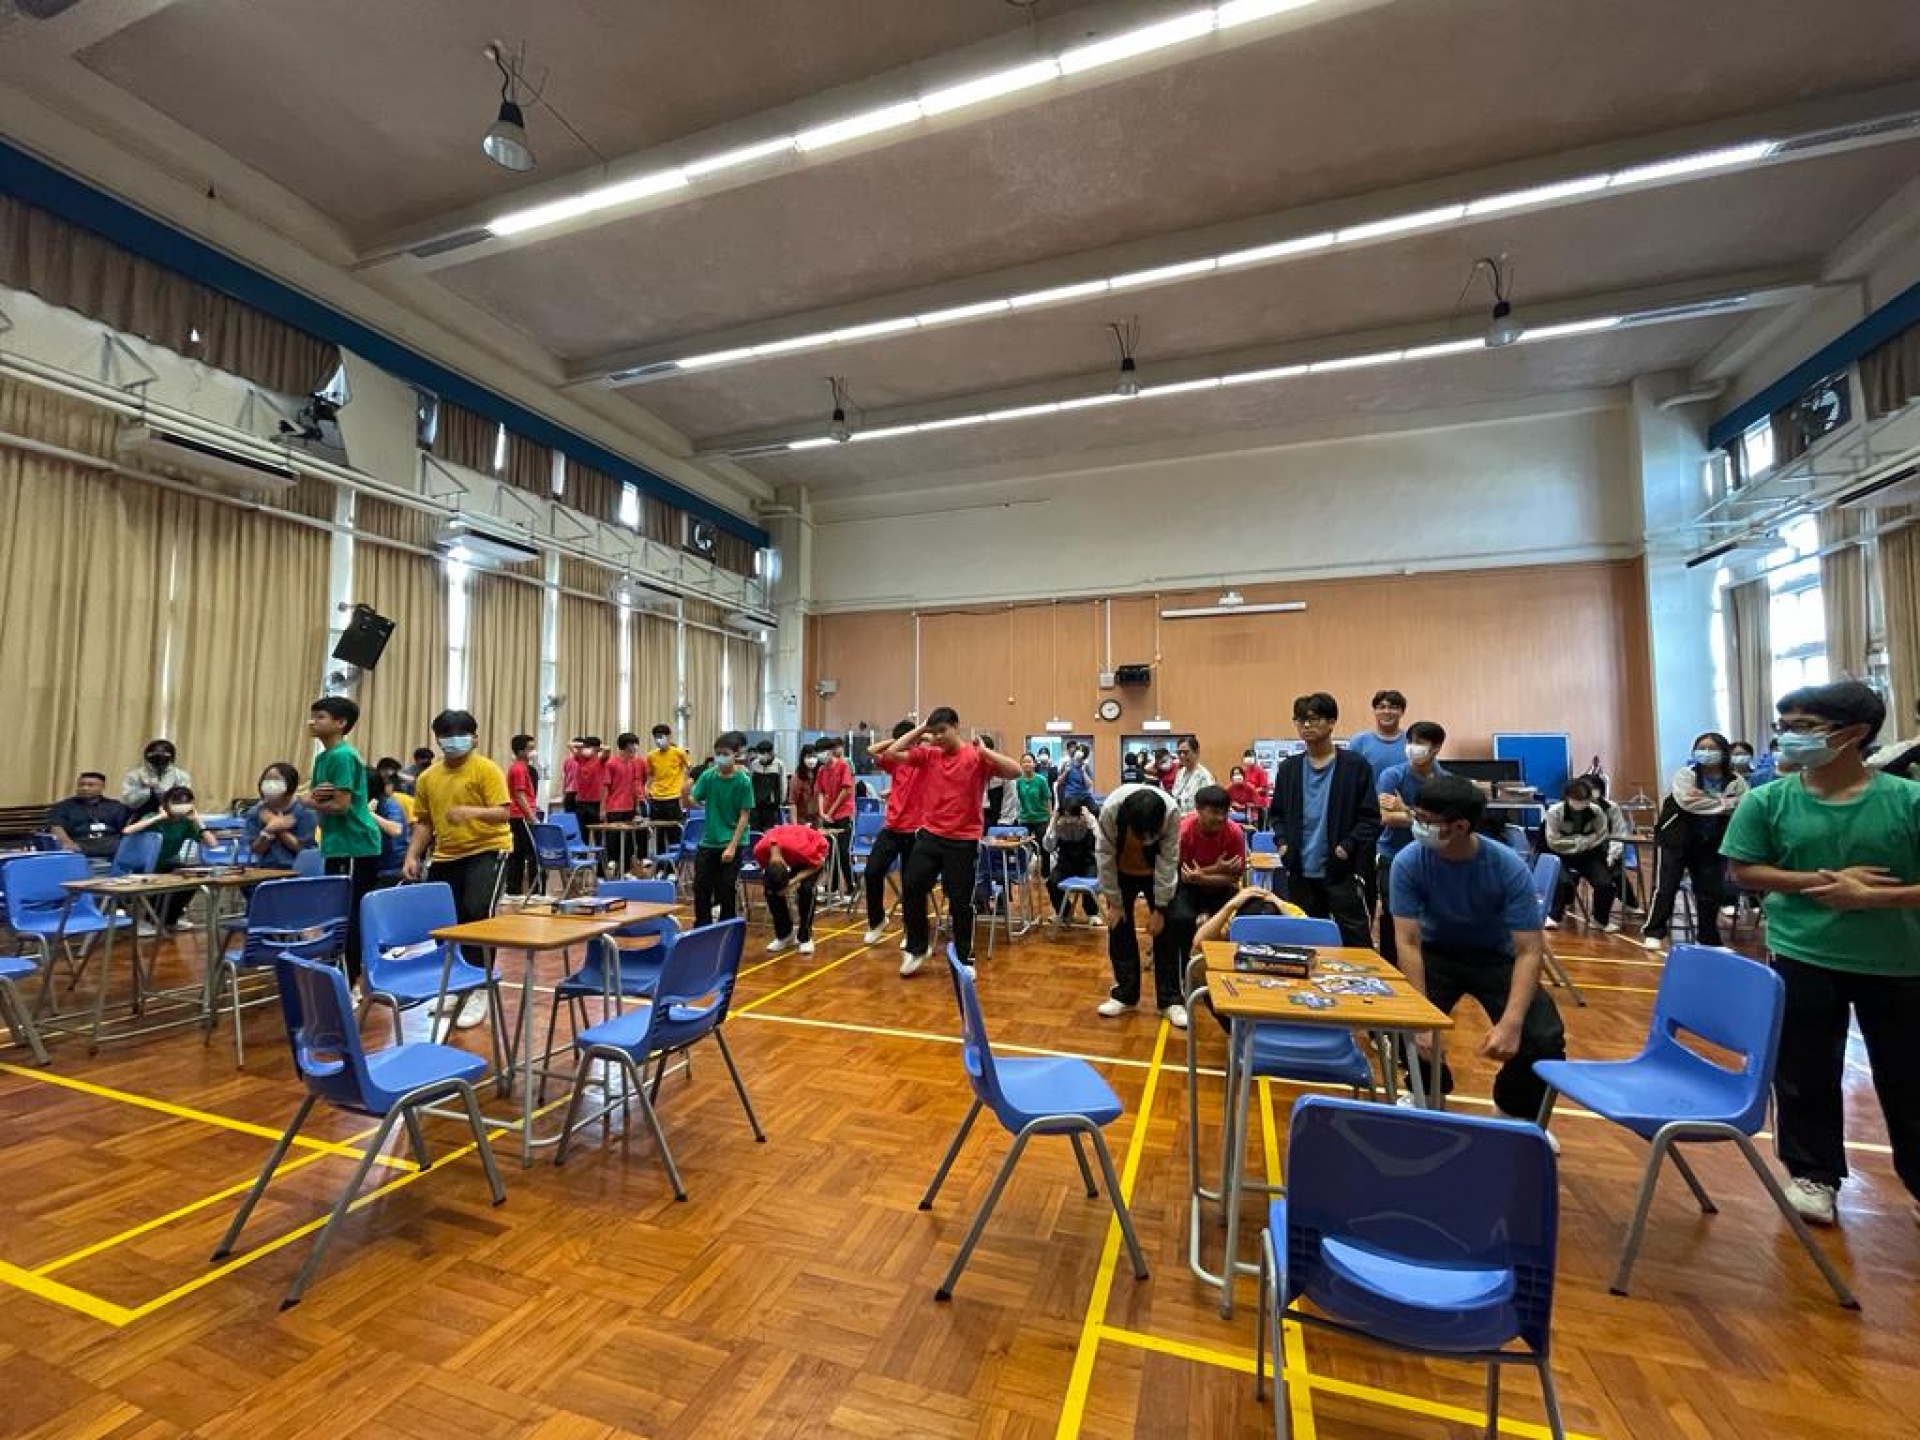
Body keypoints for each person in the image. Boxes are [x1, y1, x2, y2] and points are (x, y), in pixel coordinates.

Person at [1722, 681, 1920, 1228]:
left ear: (1854, 734)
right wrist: (1819, 882)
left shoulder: (1907, 801)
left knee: (1909, 1076)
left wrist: (1875, 897)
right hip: (1803, 953)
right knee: (1803, 1071)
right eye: (1783, 726)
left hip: (1899, 961)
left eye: (1804, 727)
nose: (1788, 737)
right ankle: (1813, 1175)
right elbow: (1744, 869)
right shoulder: (1767, 800)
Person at [1389, 774, 1567, 1125]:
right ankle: (1429, 1090)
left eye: (1426, 820)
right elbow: (1407, 942)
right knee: (1400, 1024)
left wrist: (1512, 1023)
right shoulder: (1408, 862)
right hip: (1436, 953)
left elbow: (1529, 951)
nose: (1417, 826)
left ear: (1460, 827)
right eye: (1415, 816)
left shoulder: (1507, 867)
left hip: (1496, 957)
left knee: (1542, 1037)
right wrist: (1419, 1018)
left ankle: (1513, 1111)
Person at [883, 710, 1022, 976]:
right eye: (933, 733)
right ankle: (917, 947)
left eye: (942, 731)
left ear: (956, 727)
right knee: (911, 886)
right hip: (930, 836)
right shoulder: (930, 755)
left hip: (963, 841)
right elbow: (891, 752)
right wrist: (921, 728)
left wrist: (987, 752)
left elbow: (1015, 771)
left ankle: (964, 957)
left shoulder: (975, 756)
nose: (938, 737)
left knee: (960, 902)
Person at [403, 709, 513, 1028]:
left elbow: (503, 813)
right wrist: (412, 856)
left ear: (475, 738)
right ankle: (456, 983)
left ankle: (480, 988)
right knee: (445, 923)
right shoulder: (428, 778)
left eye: (460, 735)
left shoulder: (486, 769)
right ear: (437, 740)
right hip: (446, 855)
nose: (453, 741)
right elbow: (424, 822)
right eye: (446, 736)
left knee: (476, 914)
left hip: (488, 849)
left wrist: (470, 812)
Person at [1267, 692, 1381, 948]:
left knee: (1356, 942)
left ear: (1331, 722)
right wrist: (1283, 843)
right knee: (1305, 942)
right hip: (1300, 871)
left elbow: (1370, 818)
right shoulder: (1289, 768)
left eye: (1314, 719)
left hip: (1342, 871)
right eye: (1300, 720)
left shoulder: (1355, 766)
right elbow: (1277, 814)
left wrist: (1347, 847)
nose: (1306, 726)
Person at [1640, 731, 1747, 951]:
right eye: (1701, 748)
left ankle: (1707, 937)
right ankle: (1654, 930)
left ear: (1723, 753)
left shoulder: (1736, 780)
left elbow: (1744, 803)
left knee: (1710, 890)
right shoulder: (1685, 775)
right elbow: (1688, 803)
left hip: (1711, 840)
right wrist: (1724, 803)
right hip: (1676, 839)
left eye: (1712, 749)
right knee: (1667, 886)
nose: (1706, 753)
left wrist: (1709, 800)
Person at [305, 696, 382, 982]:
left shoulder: (342, 756)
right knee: (338, 913)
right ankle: (341, 974)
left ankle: (351, 981)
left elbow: (340, 805)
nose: (313, 722)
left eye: (320, 717)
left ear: (340, 723)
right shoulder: (322, 758)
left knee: (350, 915)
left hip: (355, 844)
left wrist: (308, 801)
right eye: (313, 716)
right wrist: (313, 800)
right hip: (336, 843)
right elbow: (320, 797)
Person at [1094, 781, 1184, 1025]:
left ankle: (1171, 1000)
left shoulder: (1170, 812)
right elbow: (1104, 856)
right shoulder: (1111, 811)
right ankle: (1124, 995)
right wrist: (1114, 901)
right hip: (1121, 872)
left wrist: (1161, 908)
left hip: (1156, 873)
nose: (1145, 841)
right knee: (1119, 929)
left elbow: (1168, 860)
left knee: (1167, 931)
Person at [1374, 719, 1448, 964]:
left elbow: (1444, 823)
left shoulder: (1445, 781)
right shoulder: (1392, 775)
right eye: (1410, 742)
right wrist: (1425, 818)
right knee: (1392, 914)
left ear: (1436, 748)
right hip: (1392, 854)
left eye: (1420, 743)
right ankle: (1391, 965)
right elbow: (1385, 817)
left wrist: (1405, 809)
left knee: (1429, 914)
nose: (1412, 748)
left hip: (1433, 856)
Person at [1165, 785, 1247, 996]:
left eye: (1224, 812)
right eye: (1214, 812)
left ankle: (1228, 973)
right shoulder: (1184, 832)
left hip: (1221, 888)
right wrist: (1217, 869)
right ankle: (1186, 977)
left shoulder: (1234, 833)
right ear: (1199, 810)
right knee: (1181, 919)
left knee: (1240, 920)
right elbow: (1183, 875)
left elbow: (1234, 878)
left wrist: (1203, 876)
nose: (1220, 818)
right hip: (1188, 889)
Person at [121, 786, 219, 931]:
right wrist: (159, 817)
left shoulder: (186, 822)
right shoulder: (152, 816)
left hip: (170, 864)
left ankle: (169, 920)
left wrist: (198, 821)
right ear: (166, 802)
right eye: (177, 802)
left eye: (186, 802)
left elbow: (212, 844)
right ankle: (150, 919)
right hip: (144, 866)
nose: (181, 805)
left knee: (193, 878)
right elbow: (127, 831)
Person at [862, 721, 925, 944]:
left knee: (911, 883)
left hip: (915, 831)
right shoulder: (896, 762)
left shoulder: (924, 760)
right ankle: (877, 921)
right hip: (891, 828)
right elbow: (871, 750)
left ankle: (911, 931)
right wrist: (899, 740)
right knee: (872, 872)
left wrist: (919, 737)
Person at [1542, 777, 1627, 933]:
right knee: (1563, 881)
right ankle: (1553, 916)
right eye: (1577, 801)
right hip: (1560, 855)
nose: (1581, 804)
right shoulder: (1554, 812)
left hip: (1588, 855)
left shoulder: (1596, 811)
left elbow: (1602, 835)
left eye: (1585, 801)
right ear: (1568, 798)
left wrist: (1582, 844)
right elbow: (1553, 841)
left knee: (1606, 884)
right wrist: (1580, 842)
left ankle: (1600, 920)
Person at [690, 732, 754, 924]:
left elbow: (744, 815)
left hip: (733, 840)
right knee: (700, 885)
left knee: (725, 886)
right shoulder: (708, 776)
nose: (720, 758)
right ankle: (702, 926)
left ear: (736, 754)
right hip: (709, 840)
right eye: (718, 754)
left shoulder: (743, 781)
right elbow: (694, 800)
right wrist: (686, 795)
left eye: (725, 754)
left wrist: (732, 847)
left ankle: (727, 925)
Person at [756, 822, 830, 956]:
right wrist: (777, 889)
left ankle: (805, 937)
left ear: (787, 867)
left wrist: (792, 882)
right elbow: (768, 874)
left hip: (814, 851)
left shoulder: (803, 850)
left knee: (807, 890)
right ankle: (785, 934)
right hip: (790, 852)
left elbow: (818, 865)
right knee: (770, 891)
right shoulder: (759, 851)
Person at [242, 762, 318, 870]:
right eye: (266, 780)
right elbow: (256, 849)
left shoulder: (305, 811)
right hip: (266, 869)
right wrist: (267, 831)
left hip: (297, 871)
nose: (270, 784)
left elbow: (304, 850)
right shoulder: (257, 811)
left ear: (290, 784)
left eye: (276, 780)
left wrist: (276, 826)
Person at [48, 772, 129, 870]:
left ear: (102, 787)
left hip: (111, 848)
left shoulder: (116, 807)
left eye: (91, 785)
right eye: (81, 785)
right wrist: (68, 844)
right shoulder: (63, 807)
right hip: (79, 846)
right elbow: (56, 827)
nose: (85, 788)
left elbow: (126, 829)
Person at [1045, 796, 1100, 923]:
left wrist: (1090, 823)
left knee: (1091, 882)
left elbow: (1100, 841)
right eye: (1066, 816)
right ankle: (1064, 913)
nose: (1069, 821)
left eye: (1072, 817)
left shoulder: (1089, 820)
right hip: (1066, 863)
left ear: (1079, 814)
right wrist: (1053, 824)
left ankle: (1092, 913)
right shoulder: (1058, 823)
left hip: (1087, 862)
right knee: (1052, 882)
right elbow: (1048, 847)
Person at [814, 735, 856, 894]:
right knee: (829, 852)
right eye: (818, 752)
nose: (820, 755)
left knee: (843, 852)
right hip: (828, 816)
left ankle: (850, 887)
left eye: (823, 751)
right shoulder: (821, 770)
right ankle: (832, 887)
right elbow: (820, 792)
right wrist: (822, 812)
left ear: (831, 751)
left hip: (843, 814)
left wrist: (830, 812)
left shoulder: (843, 766)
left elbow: (845, 791)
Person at [1347, 689, 1410, 786]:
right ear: (1374, 711)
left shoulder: (1411, 741)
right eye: (1381, 707)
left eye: (1393, 708)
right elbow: (1348, 776)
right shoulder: (1359, 742)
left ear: (1402, 712)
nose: (1387, 711)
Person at [645, 723, 692, 851]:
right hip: (656, 798)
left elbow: (689, 769)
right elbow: (650, 775)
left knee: (674, 832)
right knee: (658, 833)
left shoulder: (679, 752)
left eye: (661, 736)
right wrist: (647, 788)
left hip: (673, 797)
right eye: (656, 737)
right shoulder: (651, 755)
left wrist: (684, 785)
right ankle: (660, 861)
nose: (658, 740)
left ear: (669, 736)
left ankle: (674, 861)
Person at [505, 732, 542, 895]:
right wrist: (532, 817)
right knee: (532, 853)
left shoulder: (522, 768)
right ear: (520, 752)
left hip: (518, 816)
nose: (533, 752)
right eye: (530, 749)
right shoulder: (519, 769)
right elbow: (520, 795)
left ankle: (514, 890)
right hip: (521, 817)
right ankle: (534, 891)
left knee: (518, 854)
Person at [121, 740, 190, 820]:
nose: (159, 760)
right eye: (155, 756)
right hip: (139, 819)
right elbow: (129, 802)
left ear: (171, 758)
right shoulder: (134, 775)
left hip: (171, 819)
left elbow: (182, 803)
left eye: (163, 756)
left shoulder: (181, 776)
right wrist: (147, 791)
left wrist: (158, 788)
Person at [367, 767, 409, 882]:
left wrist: (369, 814)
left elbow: (396, 830)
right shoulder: (361, 805)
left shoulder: (388, 804)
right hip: (373, 865)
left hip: (392, 870)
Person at [1014, 752, 1054, 871]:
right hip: (1024, 818)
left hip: (1041, 818)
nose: (1026, 764)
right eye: (1024, 762)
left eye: (1029, 761)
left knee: (1044, 846)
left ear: (1034, 764)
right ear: (1021, 765)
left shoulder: (1041, 780)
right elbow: (1016, 800)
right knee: (1022, 847)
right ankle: (1022, 872)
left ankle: (1045, 872)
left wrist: (1050, 816)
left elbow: (1047, 798)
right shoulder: (1018, 781)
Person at [1168, 737, 1217, 814]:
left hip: (1195, 819)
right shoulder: (1180, 773)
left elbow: (1209, 807)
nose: (1182, 755)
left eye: (1185, 752)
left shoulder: (1204, 776)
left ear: (1196, 752)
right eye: (1179, 752)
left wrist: (1186, 816)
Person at [571, 736, 608, 831]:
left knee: (596, 832)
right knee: (582, 831)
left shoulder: (600, 760)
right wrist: (584, 746)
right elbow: (570, 745)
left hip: (596, 803)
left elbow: (607, 749)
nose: (586, 750)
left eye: (588, 747)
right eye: (585, 748)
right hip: (580, 802)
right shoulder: (580, 759)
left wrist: (597, 748)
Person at [747, 740, 785, 833]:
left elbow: (783, 783)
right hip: (755, 805)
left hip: (771, 805)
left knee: (770, 832)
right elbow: (750, 783)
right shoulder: (754, 764)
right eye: (760, 753)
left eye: (764, 753)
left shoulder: (779, 764)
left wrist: (781, 801)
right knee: (755, 830)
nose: (762, 755)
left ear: (771, 753)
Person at [1058, 744, 1095, 810]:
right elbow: (1059, 782)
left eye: (1082, 751)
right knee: (1074, 806)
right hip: (1071, 794)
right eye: (1078, 750)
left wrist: (1083, 772)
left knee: (1096, 810)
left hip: (1084, 795)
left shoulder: (1086, 766)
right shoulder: (1067, 764)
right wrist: (1066, 771)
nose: (1079, 753)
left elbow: (1089, 785)